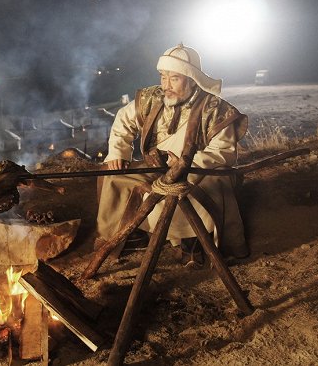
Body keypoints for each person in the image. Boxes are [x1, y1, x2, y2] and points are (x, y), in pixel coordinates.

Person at [96, 44, 249, 266]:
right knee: (112, 175)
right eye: (163, 76)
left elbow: (222, 152)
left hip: (197, 171)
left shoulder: (215, 109)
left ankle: (192, 240)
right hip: (157, 167)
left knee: (213, 186)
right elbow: (123, 120)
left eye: (174, 78)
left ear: (191, 78)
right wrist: (119, 151)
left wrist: (184, 166)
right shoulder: (152, 98)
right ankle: (126, 233)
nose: (166, 85)